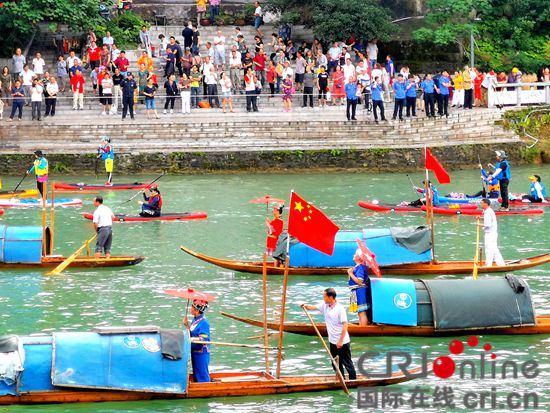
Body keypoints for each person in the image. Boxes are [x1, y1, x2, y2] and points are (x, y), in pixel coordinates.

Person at [300, 288, 357, 380]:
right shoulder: (325, 305)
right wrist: (305, 306)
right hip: (332, 341)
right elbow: (313, 307)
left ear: (331, 297)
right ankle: (341, 380)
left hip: (342, 341)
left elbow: (345, 324)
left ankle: (353, 381)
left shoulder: (340, 309)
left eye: (324, 296)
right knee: (335, 363)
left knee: (347, 363)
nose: (323, 298)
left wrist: (341, 341)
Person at [184, 299, 211, 382]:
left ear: (196, 310)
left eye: (192, 307)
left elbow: (204, 338)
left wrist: (193, 339)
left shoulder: (204, 322)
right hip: (194, 350)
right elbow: (192, 334)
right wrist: (187, 325)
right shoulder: (195, 320)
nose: (190, 309)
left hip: (201, 352)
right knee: (196, 372)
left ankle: (205, 387)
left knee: (202, 373)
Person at [479, 198, 505, 267]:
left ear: (486, 204)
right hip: (493, 234)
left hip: (490, 234)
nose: (481, 205)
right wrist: (481, 218)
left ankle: (488, 265)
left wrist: (479, 225)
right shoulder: (489, 211)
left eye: (482, 203)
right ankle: (501, 264)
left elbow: (488, 225)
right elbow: (489, 220)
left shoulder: (487, 212)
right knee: (494, 249)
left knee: (489, 249)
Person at [347, 249, 370, 326]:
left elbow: (360, 282)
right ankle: (361, 325)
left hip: (359, 290)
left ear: (360, 257)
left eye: (355, 254)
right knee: (359, 311)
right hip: (354, 290)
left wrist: (350, 273)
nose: (354, 255)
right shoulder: (357, 267)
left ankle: (363, 327)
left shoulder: (360, 267)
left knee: (361, 311)